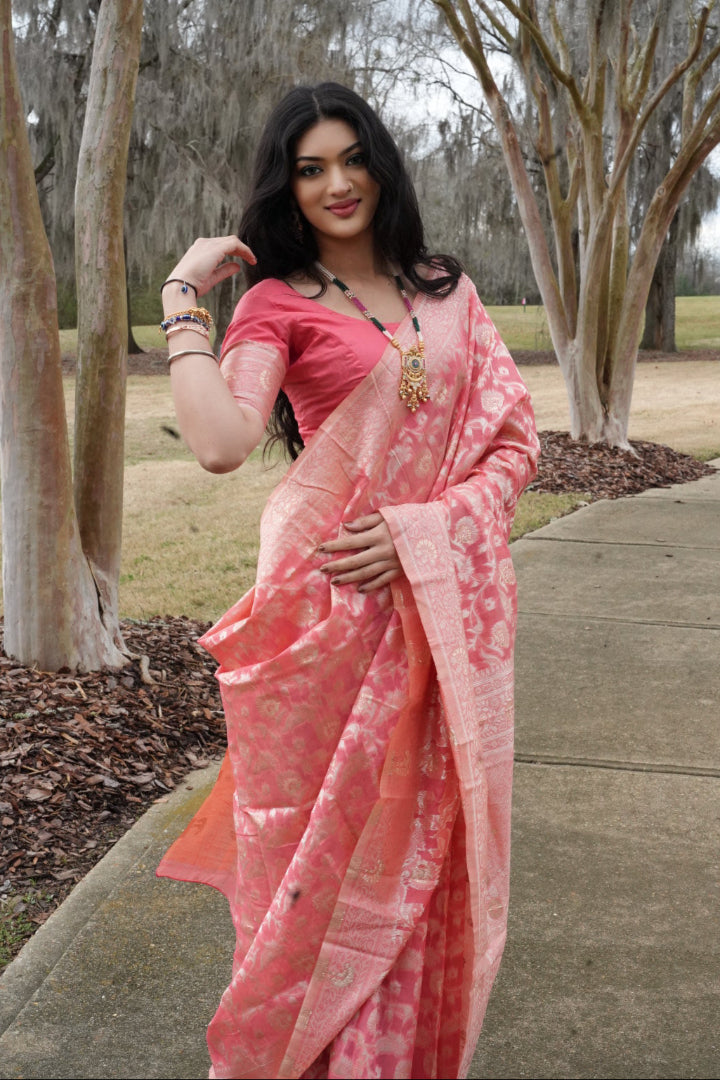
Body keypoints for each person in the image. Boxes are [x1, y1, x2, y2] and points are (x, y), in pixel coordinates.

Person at [156, 82, 539, 1080]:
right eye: (310, 168)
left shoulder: (446, 292)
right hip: (326, 632)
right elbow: (221, 442)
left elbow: (513, 446)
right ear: (285, 186)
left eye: (352, 158)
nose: (337, 183)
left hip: (432, 619)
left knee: (421, 858)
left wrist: (423, 531)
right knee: (320, 866)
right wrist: (182, 300)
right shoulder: (277, 303)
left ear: (382, 164)